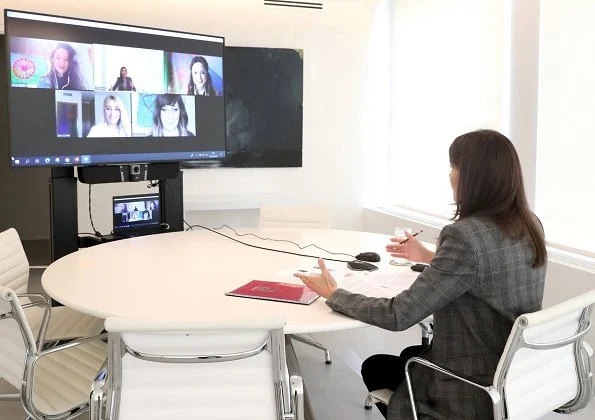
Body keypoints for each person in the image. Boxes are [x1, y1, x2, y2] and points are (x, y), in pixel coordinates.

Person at [294, 129, 547, 419]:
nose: (450, 175)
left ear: (473, 178)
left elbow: (398, 314)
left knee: (376, 366)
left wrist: (334, 294)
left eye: (454, 167)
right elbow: (488, 269)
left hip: (470, 388)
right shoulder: (529, 224)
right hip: (514, 375)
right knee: (407, 357)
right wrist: (427, 256)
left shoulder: (464, 237)